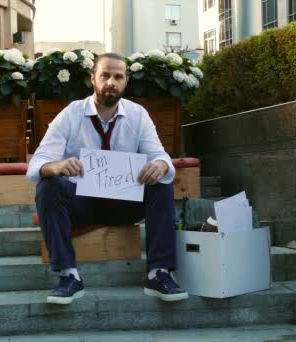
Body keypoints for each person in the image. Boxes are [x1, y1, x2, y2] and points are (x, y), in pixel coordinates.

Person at [26, 52, 188, 305]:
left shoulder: (138, 115)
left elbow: (159, 154)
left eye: (118, 76)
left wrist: (158, 164)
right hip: (82, 204)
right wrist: (56, 166)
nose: (111, 81)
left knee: (162, 182)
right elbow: (38, 163)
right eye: (105, 75)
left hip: (124, 205)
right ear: (93, 78)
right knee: (48, 185)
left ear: (125, 82)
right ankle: (68, 276)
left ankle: (159, 273)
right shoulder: (71, 113)